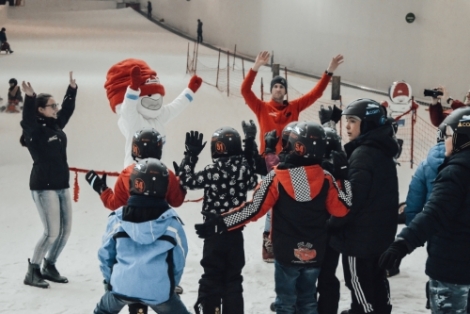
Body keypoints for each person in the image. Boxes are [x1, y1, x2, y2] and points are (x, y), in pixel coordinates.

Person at [195, 121, 351, 313]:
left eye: (288, 144)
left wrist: (221, 222)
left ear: (298, 147)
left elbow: (253, 210)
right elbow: (343, 209)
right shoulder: (327, 178)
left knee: (285, 302)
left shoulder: (277, 178)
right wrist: (345, 178)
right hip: (314, 252)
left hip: (286, 253)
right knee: (308, 300)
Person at [241, 51, 344, 262]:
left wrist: (329, 71)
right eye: (276, 86)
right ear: (271, 91)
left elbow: (315, 94)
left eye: (282, 87)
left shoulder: (294, 107)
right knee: (268, 204)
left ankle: (291, 241)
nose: (279, 89)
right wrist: (256, 67)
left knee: (291, 204)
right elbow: (245, 91)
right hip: (269, 162)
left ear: (285, 92)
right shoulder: (262, 107)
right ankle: (268, 243)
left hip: (293, 161)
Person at [85, 128, 186, 314]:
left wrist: (102, 189)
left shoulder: (126, 175)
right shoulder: (166, 175)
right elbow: (177, 201)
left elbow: (115, 204)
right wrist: (182, 182)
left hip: (124, 270)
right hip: (158, 275)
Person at [380, 108, 470, 314]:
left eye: (447, 136)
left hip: (452, 269)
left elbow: (434, 213)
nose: (443, 142)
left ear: (462, 138)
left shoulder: (456, 172)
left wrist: (402, 244)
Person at [175, 125, 258, 314]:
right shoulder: (244, 170)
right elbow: (253, 181)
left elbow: (185, 180)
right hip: (236, 234)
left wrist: (190, 155)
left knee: (212, 277)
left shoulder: (212, 171)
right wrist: (249, 147)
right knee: (233, 280)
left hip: (213, 234)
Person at [329, 99, 399, 314]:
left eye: (353, 121)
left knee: (358, 285)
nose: (347, 127)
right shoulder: (383, 150)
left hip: (359, 241)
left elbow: (352, 201)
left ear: (367, 124)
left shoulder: (362, 154)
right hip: (380, 237)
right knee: (377, 281)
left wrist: (332, 224)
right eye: (346, 121)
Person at [20, 72, 77, 289]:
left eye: (55, 105)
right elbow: (27, 119)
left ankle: (49, 266)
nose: (56, 109)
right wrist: (30, 98)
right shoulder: (34, 130)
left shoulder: (55, 125)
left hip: (61, 184)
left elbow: (68, 110)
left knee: (66, 230)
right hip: (43, 187)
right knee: (51, 232)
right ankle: (33, 271)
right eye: (52, 106)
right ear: (41, 110)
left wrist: (71, 91)